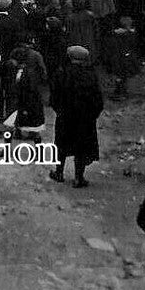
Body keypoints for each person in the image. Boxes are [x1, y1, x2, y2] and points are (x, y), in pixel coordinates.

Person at [49, 46, 104, 187]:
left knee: (61, 145)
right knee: (81, 147)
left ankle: (59, 173)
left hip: (65, 117)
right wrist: (92, 115)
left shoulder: (62, 73)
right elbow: (98, 99)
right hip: (85, 119)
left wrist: (59, 110)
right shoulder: (90, 75)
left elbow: (54, 97)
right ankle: (79, 178)